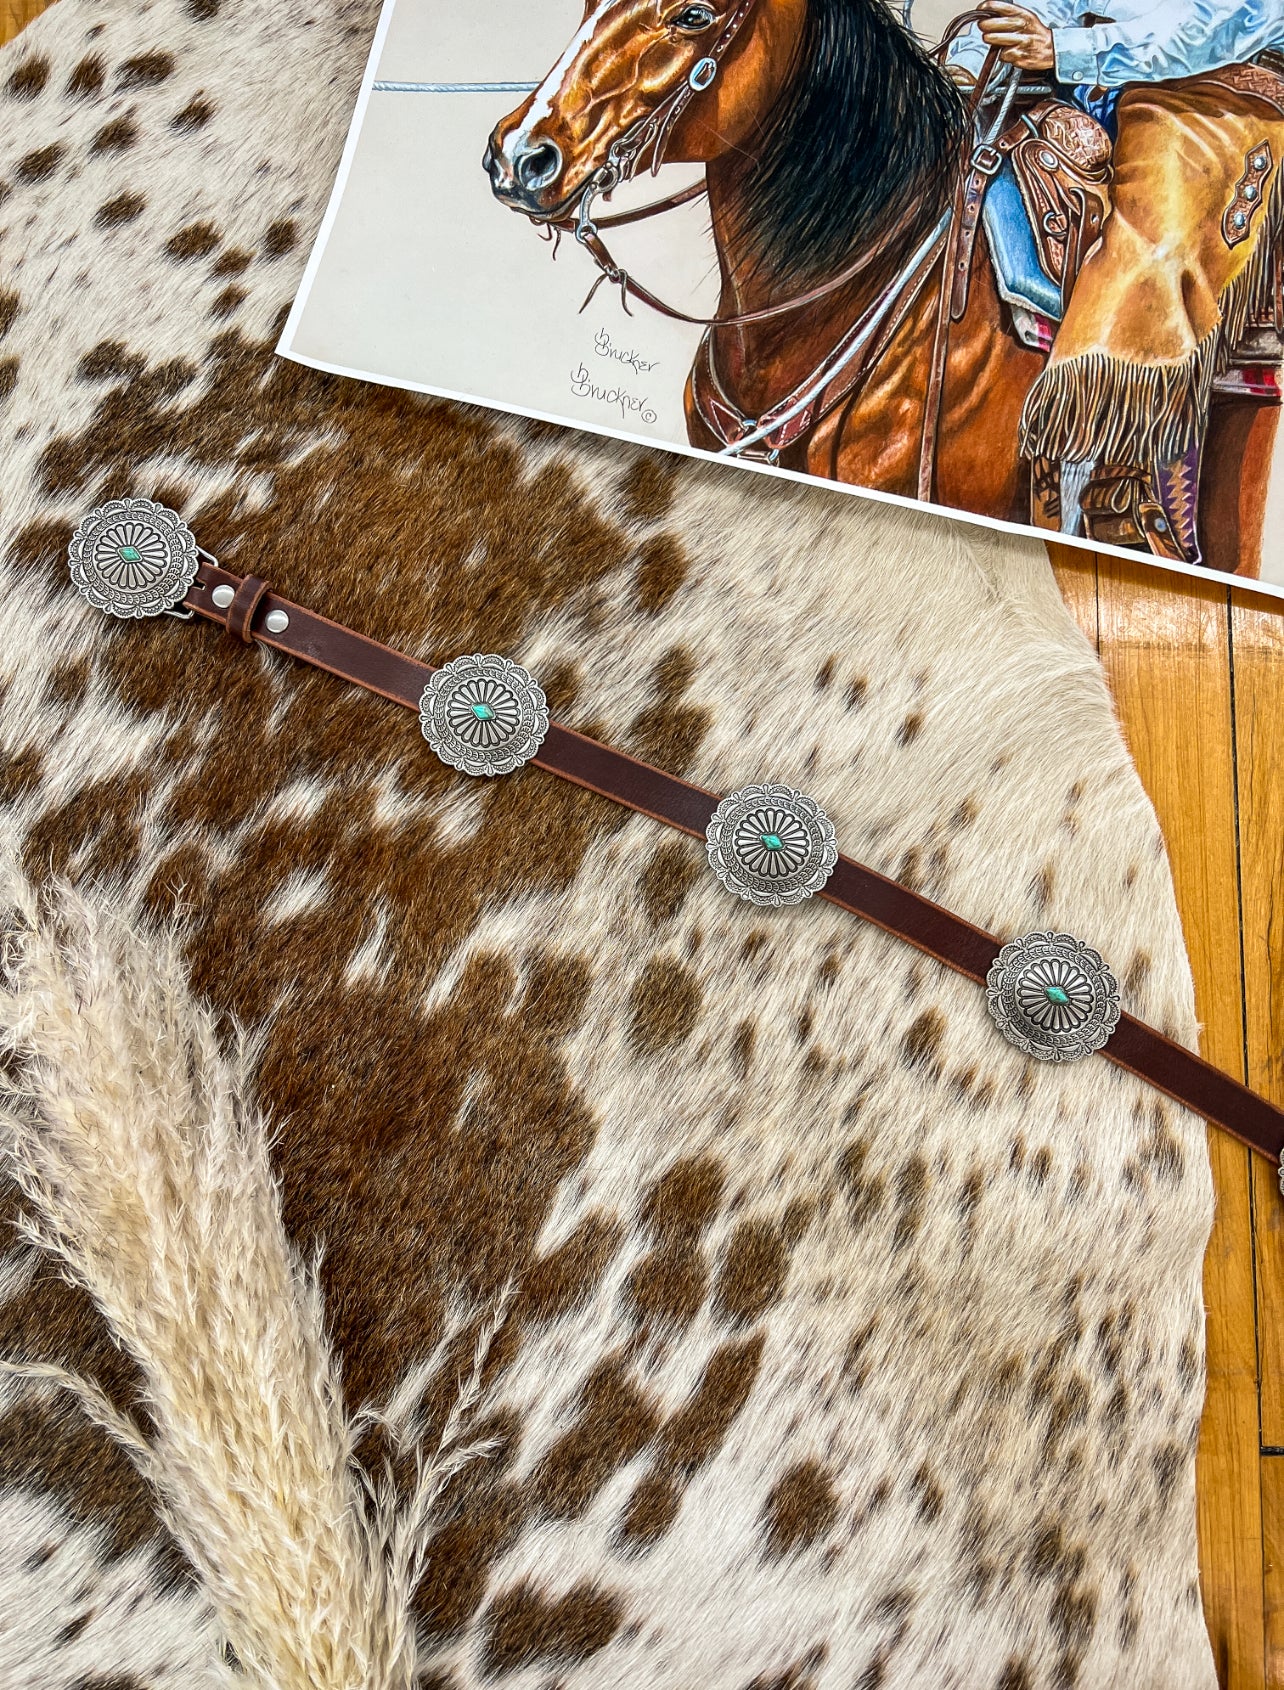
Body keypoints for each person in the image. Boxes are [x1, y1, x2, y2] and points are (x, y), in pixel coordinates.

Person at [946, 0, 1284, 560]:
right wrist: (974, 55)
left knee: (1157, 238)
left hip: (1211, 86)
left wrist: (1065, 49)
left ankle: (1124, 477)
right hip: (1079, 80)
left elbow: (1223, 20)